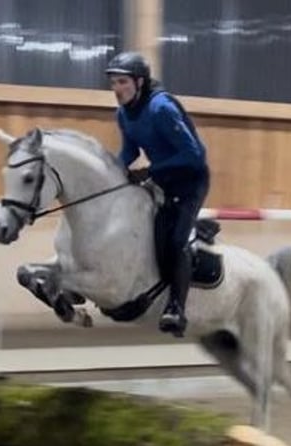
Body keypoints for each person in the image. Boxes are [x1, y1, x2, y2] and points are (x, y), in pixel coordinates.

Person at [105, 51, 209, 337]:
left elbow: (195, 155)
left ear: (139, 82)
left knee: (175, 242)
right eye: (113, 83)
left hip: (190, 183)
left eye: (122, 82)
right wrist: (112, 170)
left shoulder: (161, 108)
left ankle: (177, 308)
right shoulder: (124, 113)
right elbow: (129, 150)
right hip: (164, 180)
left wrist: (151, 170)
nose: (116, 89)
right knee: (152, 240)